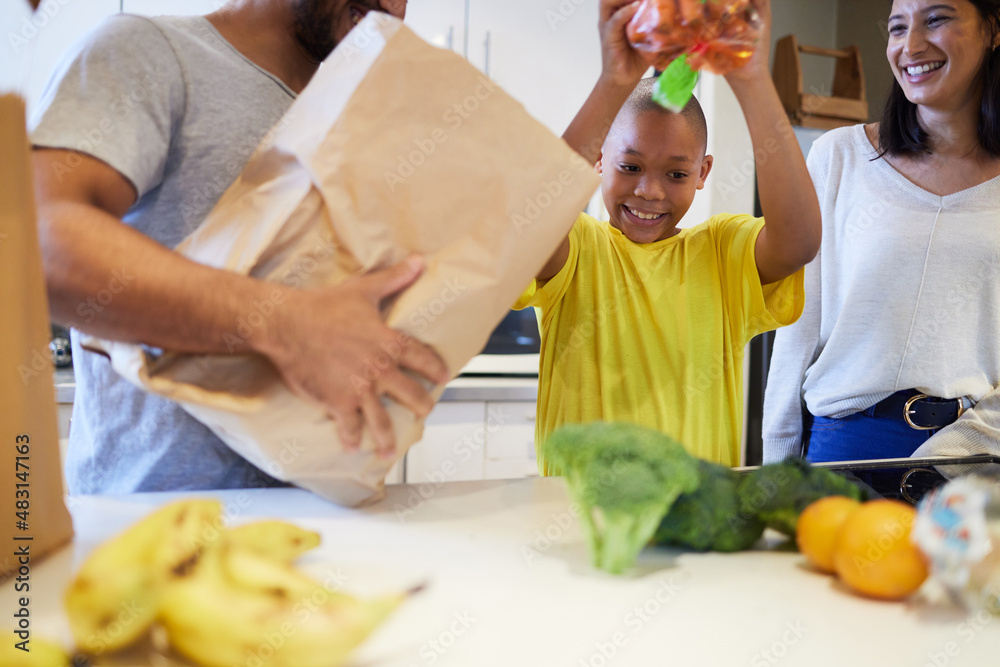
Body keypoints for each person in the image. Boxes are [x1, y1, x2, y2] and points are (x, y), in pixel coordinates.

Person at [30, 0, 654, 493]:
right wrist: (283, 322)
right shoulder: (153, 53)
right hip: (150, 527)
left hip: (326, 536)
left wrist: (613, 81)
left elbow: (514, 224)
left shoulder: (376, 108)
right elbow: (38, 240)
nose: (395, 6)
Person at [518, 0, 822, 474]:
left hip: (695, 520)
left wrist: (753, 79)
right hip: (577, 519)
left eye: (676, 174)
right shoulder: (578, 247)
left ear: (703, 173)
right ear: (600, 158)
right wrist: (613, 81)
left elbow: (800, 242)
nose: (649, 191)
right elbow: (528, 226)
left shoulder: (721, 252)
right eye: (630, 166)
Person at [762, 0, 1000, 464]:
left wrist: (959, 454)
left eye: (937, 19)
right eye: (896, 27)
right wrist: (777, 467)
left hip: (976, 459)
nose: (910, 46)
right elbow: (796, 329)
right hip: (842, 454)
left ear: (993, 29)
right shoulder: (838, 158)